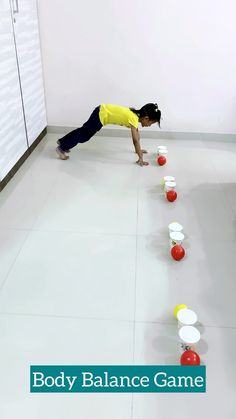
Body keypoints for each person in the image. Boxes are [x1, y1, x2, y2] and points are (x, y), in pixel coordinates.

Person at [56, 103, 161, 166]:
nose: (149, 125)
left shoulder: (134, 116)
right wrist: (140, 158)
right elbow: (135, 140)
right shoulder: (133, 118)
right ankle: (61, 148)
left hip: (101, 111)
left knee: (82, 131)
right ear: (146, 118)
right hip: (100, 115)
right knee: (83, 136)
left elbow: (137, 135)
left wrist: (138, 150)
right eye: (151, 123)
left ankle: (62, 141)